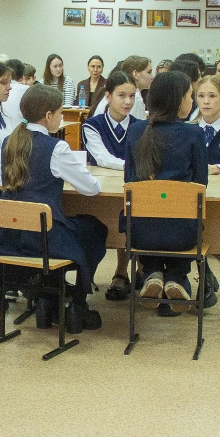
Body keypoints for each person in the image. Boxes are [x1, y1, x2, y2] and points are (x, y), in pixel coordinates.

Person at [0, 84, 107, 333]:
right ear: (48, 116)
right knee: (94, 229)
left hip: (10, 236)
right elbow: (91, 189)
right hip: (43, 238)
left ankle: (47, 297)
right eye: (60, 112)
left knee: (72, 227)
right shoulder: (56, 148)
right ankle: (77, 302)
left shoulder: (8, 143)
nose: (61, 117)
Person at [125, 71, 212, 308]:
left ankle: (152, 272)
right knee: (184, 217)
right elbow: (201, 185)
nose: (192, 101)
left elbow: (129, 180)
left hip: (140, 234)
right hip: (182, 235)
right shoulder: (194, 133)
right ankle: (177, 277)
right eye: (190, 96)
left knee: (153, 219)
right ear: (178, 100)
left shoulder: (135, 130)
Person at [81, 71, 145, 300]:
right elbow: (102, 158)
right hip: (104, 189)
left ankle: (140, 269)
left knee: (135, 218)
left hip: (134, 188)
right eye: (121, 95)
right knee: (112, 219)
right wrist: (131, 166)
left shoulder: (142, 126)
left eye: (132, 96)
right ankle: (120, 271)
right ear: (108, 96)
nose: (128, 101)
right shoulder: (92, 125)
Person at [92, 55, 152, 121]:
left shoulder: (112, 91)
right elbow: (137, 126)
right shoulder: (136, 97)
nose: (152, 76)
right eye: (149, 72)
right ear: (135, 74)